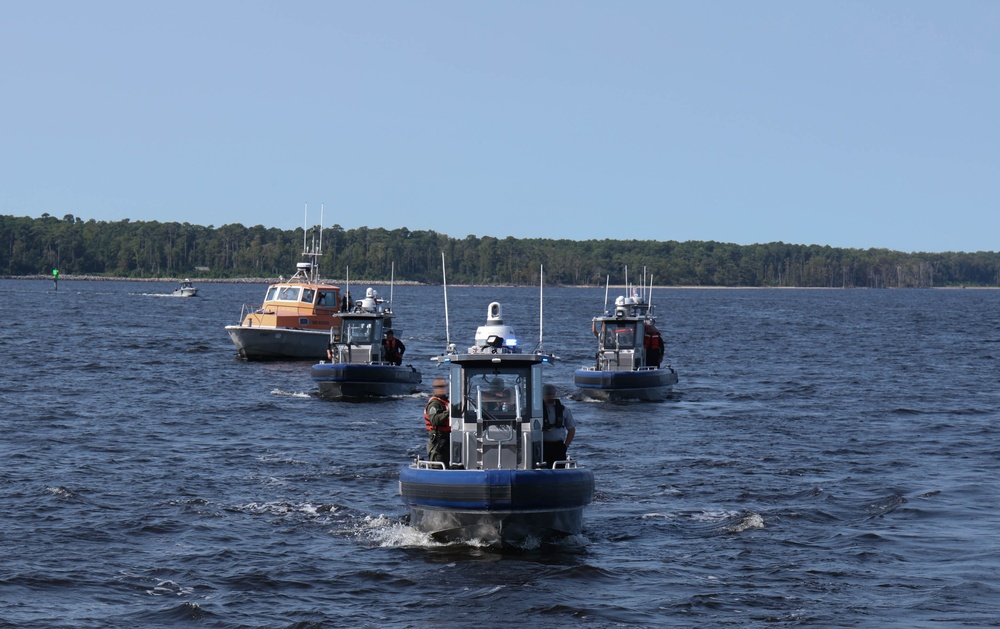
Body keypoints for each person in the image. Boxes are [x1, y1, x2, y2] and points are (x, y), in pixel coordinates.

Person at [541, 384, 576, 468]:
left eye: (550, 394)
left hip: (559, 447)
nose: (549, 397)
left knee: (559, 468)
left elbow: (571, 429)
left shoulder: (564, 410)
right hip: (543, 446)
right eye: (546, 394)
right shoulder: (537, 410)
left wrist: (566, 446)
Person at [424, 378, 451, 466]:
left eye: (443, 386)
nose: (441, 389)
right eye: (438, 387)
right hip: (439, 440)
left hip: (446, 439)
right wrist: (449, 411)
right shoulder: (435, 404)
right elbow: (435, 420)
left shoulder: (445, 401)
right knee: (438, 465)